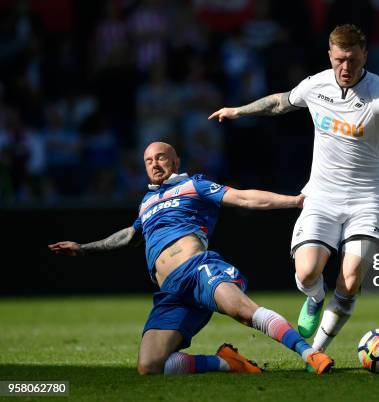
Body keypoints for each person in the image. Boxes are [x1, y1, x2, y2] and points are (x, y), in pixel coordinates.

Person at [209, 24, 379, 355]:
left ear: (365, 56)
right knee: (306, 272)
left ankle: (315, 351)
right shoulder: (316, 85)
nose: (346, 68)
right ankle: (315, 297)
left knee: (350, 277)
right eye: (340, 60)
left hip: (366, 200)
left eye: (353, 60)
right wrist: (238, 110)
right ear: (330, 55)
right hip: (321, 196)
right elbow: (280, 102)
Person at [48, 142, 334, 375]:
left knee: (244, 311)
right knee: (150, 367)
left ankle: (310, 354)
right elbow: (128, 236)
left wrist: (295, 201)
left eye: (161, 158)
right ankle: (226, 363)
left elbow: (244, 198)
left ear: (175, 161)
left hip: (197, 269)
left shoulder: (193, 186)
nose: (155, 164)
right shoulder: (147, 203)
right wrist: (84, 247)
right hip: (170, 292)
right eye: (148, 161)